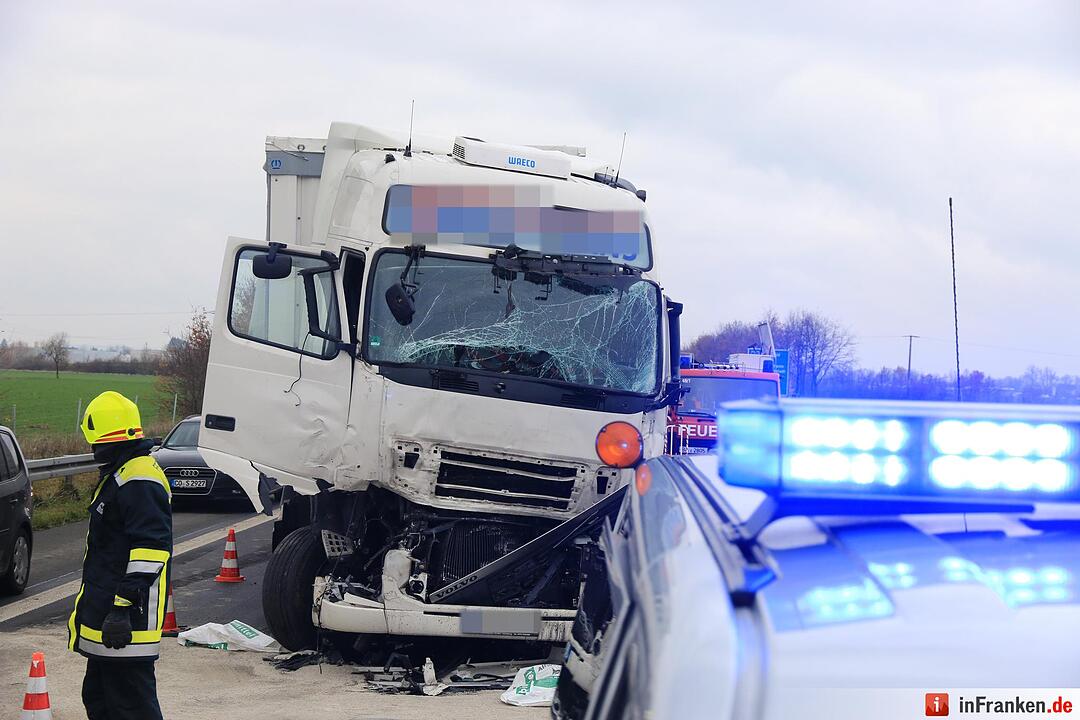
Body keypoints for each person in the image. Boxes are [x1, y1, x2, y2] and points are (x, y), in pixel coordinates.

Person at [68, 391, 172, 720]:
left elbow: (152, 549)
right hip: (110, 618)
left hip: (127, 620)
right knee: (100, 700)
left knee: (131, 708)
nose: (92, 449)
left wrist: (121, 607)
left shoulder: (138, 479)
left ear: (109, 438)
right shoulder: (124, 473)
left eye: (95, 441)